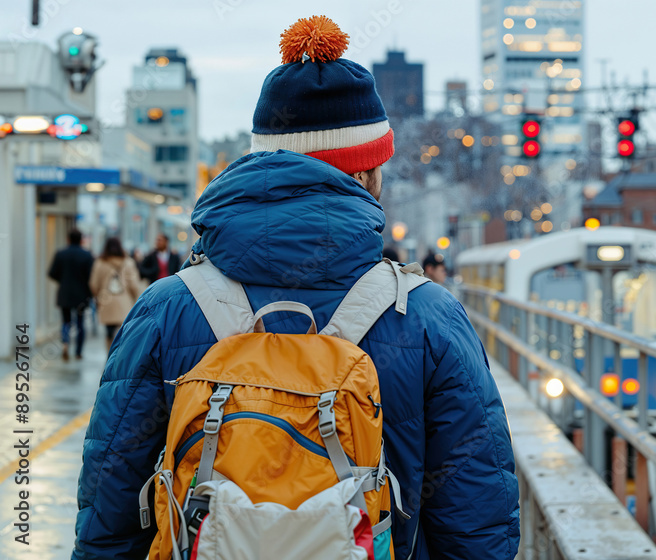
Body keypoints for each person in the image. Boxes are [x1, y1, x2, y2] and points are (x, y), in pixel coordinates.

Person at [73, 16, 518, 560]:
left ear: (258, 164)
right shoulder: (427, 316)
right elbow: (477, 519)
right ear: (369, 172)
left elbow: (111, 502)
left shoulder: (167, 309)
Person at [48, 229, 94, 360]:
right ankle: (79, 351)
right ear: (81, 240)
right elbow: (91, 276)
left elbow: (52, 273)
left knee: (66, 321)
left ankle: (65, 344)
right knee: (80, 323)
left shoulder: (61, 254)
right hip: (82, 294)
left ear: (68, 239)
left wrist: (63, 281)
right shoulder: (86, 255)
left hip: (65, 294)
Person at [89, 237, 141, 351]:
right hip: (124, 302)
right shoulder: (128, 262)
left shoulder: (100, 262)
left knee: (109, 331)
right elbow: (134, 285)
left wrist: (98, 297)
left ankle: (109, 356)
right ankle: (121, 356)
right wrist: (133, 298)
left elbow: (94, 283)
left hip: (106, 301)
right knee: (124, 332)